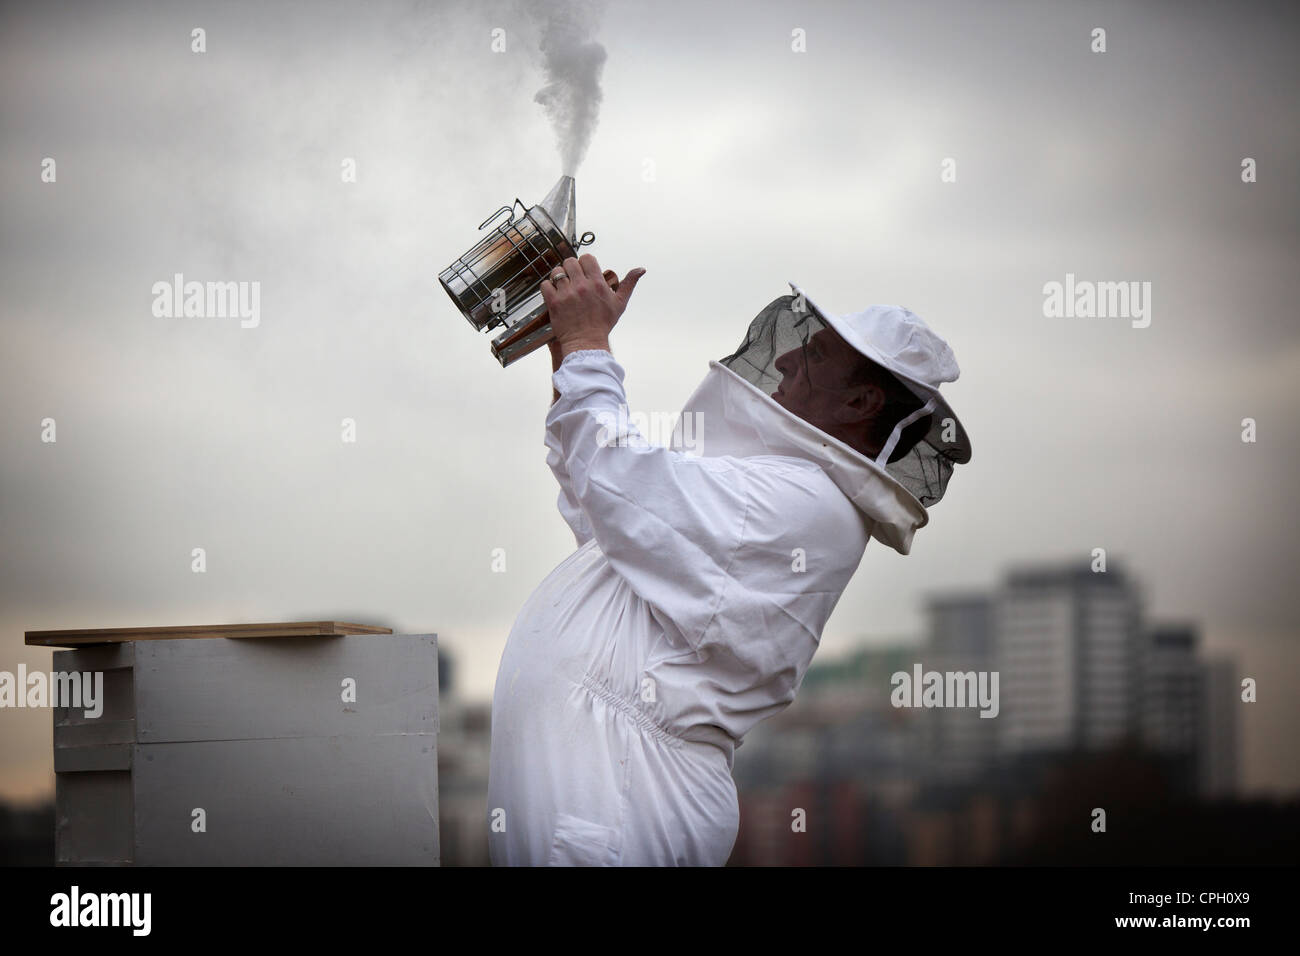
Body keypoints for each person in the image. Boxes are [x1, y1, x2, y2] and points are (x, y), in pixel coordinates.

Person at [487, 253, 971, 865]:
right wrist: (569, 352)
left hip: (625, 799)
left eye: (816, 353)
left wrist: (587, 341)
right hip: (613, 791)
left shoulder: (811, 504)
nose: (788, 358)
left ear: (859, 402)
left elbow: (617, 481)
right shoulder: (788, 489)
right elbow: (608, 518)